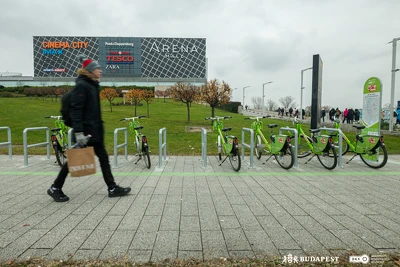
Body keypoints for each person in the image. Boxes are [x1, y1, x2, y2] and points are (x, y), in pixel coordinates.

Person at [47, 54, 131, 202]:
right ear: (90, 71)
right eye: (97, 68)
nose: (100, 71)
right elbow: (76, 110)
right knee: (73, 160)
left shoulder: (92, 85)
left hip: (94, 131)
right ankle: (55, 187)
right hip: (85, 132)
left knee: (104, 159)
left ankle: (112, 187)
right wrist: (79, 132)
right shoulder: (82, 86)